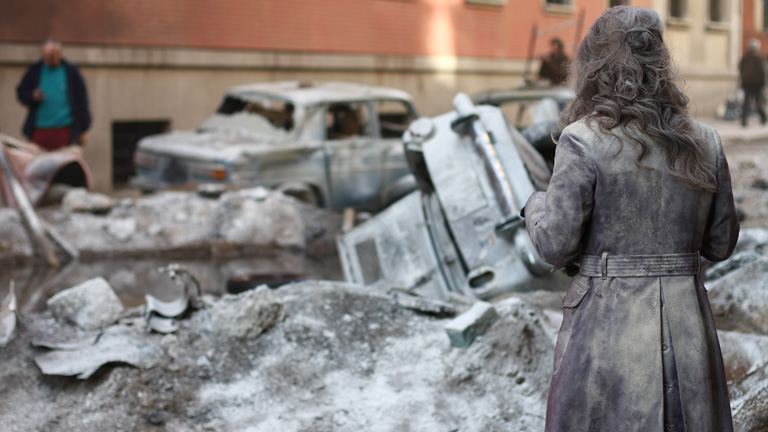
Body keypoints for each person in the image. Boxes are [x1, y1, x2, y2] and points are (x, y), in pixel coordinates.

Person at [522, 6, 739, 431]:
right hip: (687, 327)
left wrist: (533, 204)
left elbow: (554, 244)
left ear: (595, 66)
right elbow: (720, 244)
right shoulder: (706, 142)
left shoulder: (582, 139)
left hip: (606, 326)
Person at [16, 37, 91, 151]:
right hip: (39, 129)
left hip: (64, 130)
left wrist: (84, 129)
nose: (49, 60)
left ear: (60, 54)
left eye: (52, 57)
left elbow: (82, 100)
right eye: (46, 57)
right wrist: (32, 96)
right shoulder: (35, 70)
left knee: (61, 166)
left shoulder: (71, 72)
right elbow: (21, 92)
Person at [739, 38, 767, 127]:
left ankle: (763, 118)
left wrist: (762, 83)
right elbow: (741, 68)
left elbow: (762, 72)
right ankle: (744, 120)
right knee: (750, 103)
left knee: (755, 103)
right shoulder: (747, 58)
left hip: (754, 84)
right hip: (751, 83)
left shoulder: (756, 58)